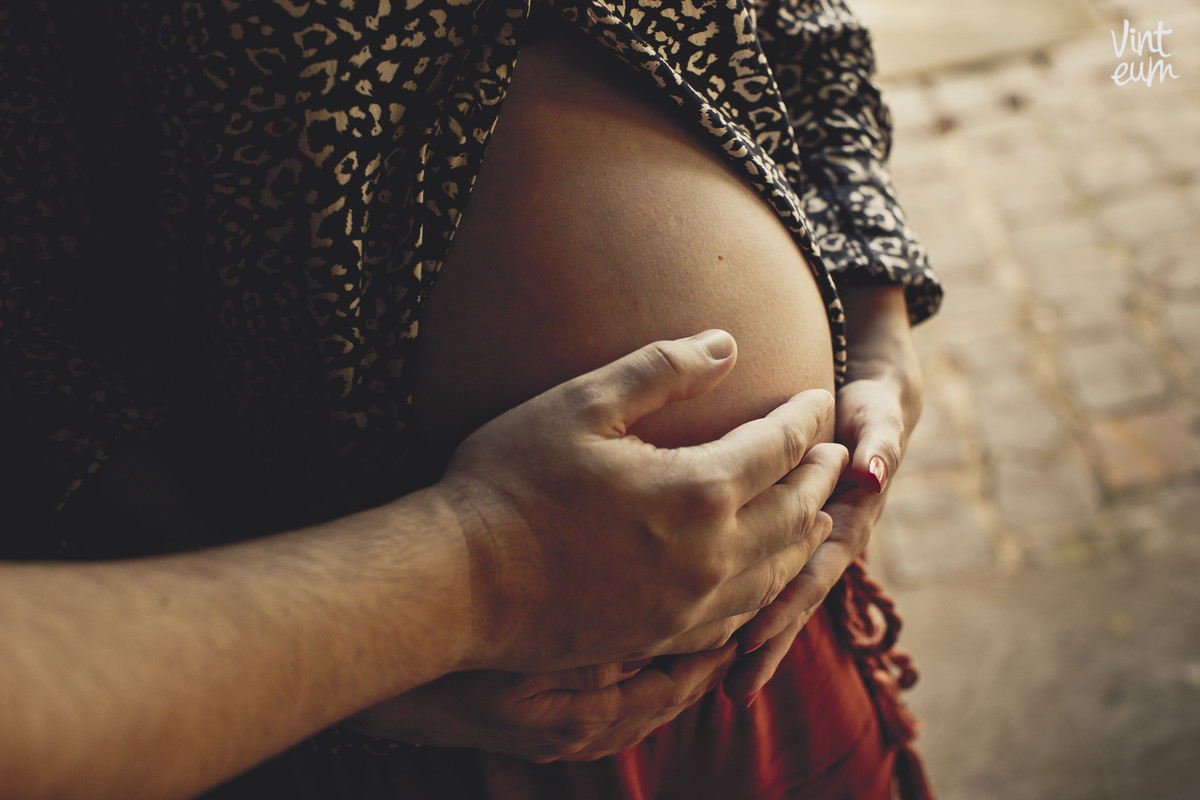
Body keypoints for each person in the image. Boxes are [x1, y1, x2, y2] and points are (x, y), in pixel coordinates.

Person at [1, 0, 941, 798]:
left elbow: (794, 23)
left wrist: (878, 320)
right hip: (400, 706)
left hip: (764, 621)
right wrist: (421, 621)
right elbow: (34, 329)